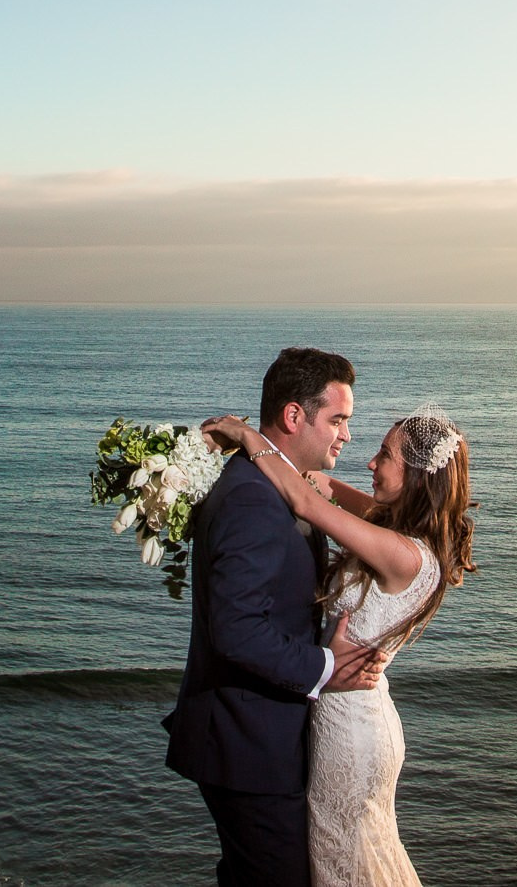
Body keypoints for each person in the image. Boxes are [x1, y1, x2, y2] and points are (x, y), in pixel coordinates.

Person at [201, 400, 476, 887]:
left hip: (352, 730)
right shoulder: (392, 528)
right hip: (346, 713)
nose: (370, 462)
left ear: (415, 475)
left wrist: (246, 437)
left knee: (342, 859)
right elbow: (320, 485)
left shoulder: (404, 553)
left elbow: (308, 505)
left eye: (385, 456)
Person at [166, 347, 388, 887]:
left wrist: (247, 437)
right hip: (249, 747)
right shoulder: (252, 499)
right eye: (337, 420)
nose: (347, 436)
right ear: (294, 416)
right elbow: (237, 631)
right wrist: (324, 667)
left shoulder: (283, 484)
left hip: (263, 739)